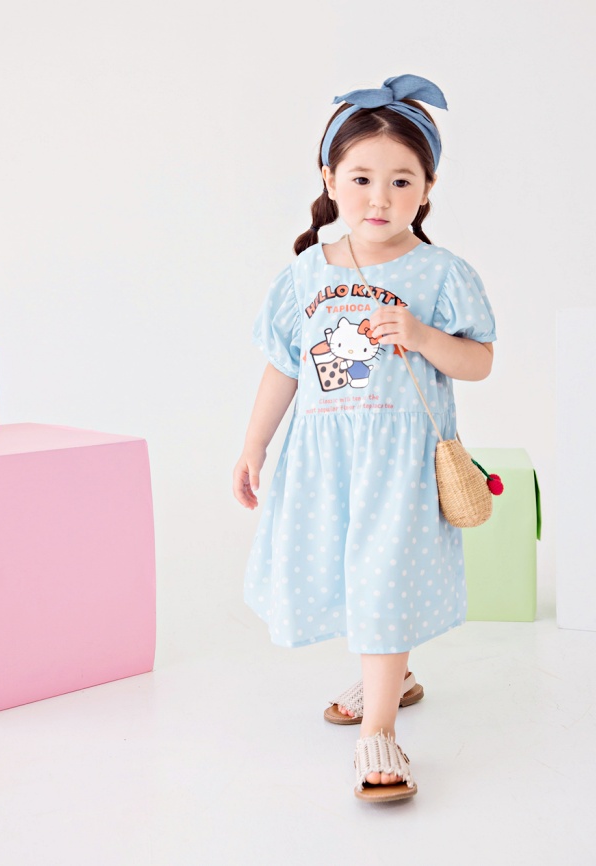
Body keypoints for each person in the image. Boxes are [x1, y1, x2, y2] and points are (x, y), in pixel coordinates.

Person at [232, 74, 497, 803]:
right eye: (361, 178)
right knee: (347, 575)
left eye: (401, 180)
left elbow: (478, 361)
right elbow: (284, 367)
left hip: (400, 465)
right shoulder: (302, 276)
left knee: (384, 578)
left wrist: (422, 335)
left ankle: (378, 729)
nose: (379, 198)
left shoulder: (441, 273)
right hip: (323, 463)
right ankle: (394, 675)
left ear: (428, 188)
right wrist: (254, 445)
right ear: (329, 179)